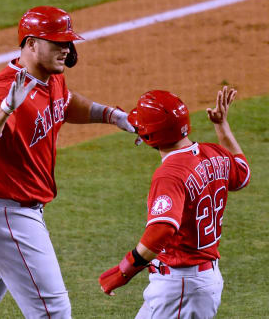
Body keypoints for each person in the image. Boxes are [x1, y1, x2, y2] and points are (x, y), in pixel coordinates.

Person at [0, 6, 135, 319]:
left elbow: (67, 103)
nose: (66, 50)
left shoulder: (51, 77)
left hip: (1, 211)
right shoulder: (7, 89)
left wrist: (112, 115)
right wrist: (6, 108)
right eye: (58, 43)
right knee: (53, 312)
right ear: (31, 44)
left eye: (68, 42)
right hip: (9, 215)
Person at [98, 87, 251, 319]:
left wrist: (124, 271)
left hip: (182, 287)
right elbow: (243, 174)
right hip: (194, 282)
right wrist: (221, 126)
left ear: (149, 137)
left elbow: (161, 230)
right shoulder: (215, 153)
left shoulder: (170, 174)